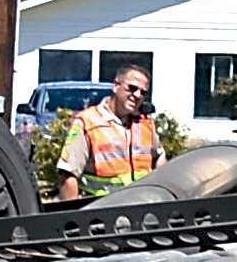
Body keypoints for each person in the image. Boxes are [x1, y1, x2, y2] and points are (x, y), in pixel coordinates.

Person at [54, 67, 165, 201]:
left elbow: (160, 161)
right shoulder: (87, 122)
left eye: (143, 92)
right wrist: (71, 218)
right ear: (116, 86)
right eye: (132, 88)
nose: (137, 95)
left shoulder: (145, 124)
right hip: (100, 213)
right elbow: (68, 175)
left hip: (141, 210)